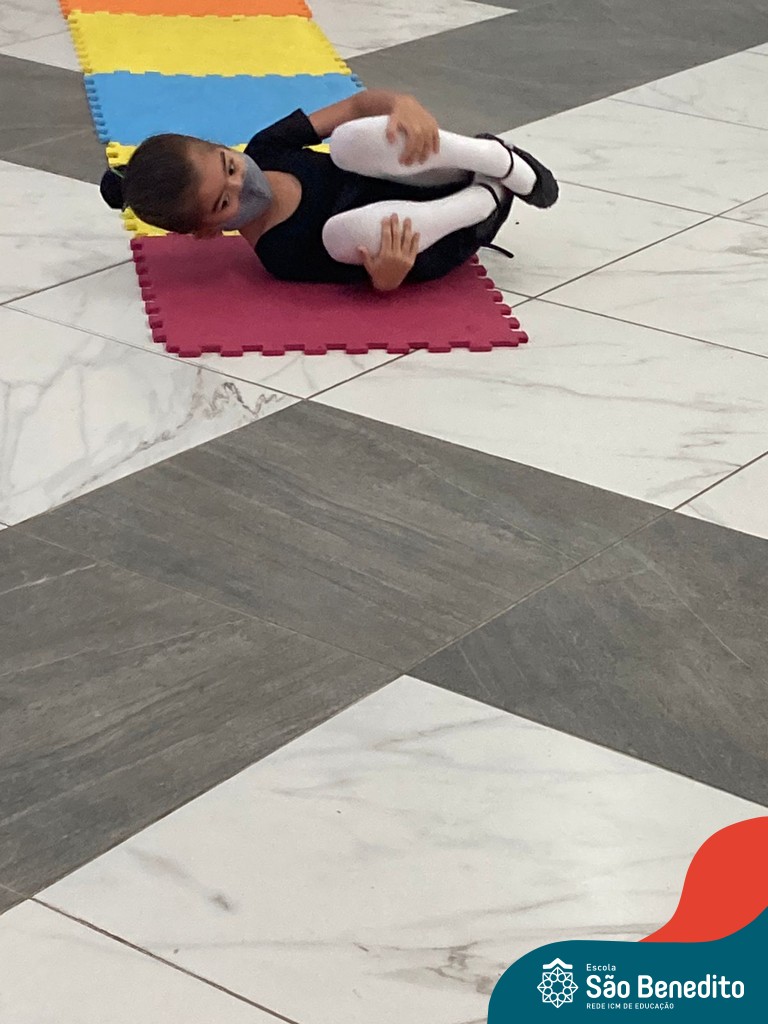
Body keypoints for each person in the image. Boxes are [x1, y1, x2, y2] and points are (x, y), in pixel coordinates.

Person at [100, 90, 558, 293]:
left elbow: (358, 105)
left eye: (231, 166)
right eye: (225, 202)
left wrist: (403, 105)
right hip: (438, 235)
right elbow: (367, 277)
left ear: (224, 147)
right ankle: (487, 200)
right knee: (342, 236)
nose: (243, 182)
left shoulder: (268, 147)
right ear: (206, 231)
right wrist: (387, 279)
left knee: (350, 140)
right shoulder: (281, 254)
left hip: (432, 173)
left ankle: (497, 159)